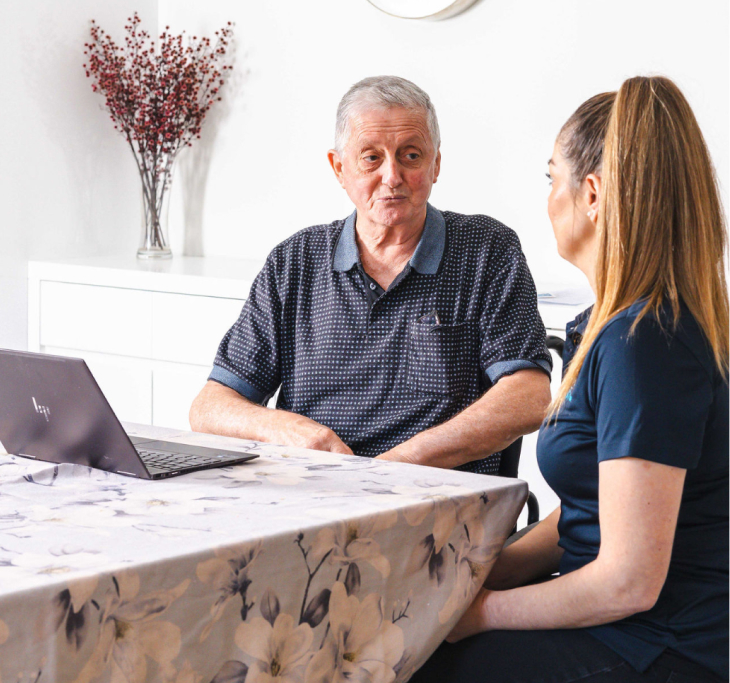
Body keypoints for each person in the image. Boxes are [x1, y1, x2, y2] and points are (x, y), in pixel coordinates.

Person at [411, 77, 729, 683]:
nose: (547, 196)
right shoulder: (612, 329)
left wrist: (482, 615)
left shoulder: (648, 346)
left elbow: (629, 581)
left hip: (662, 645)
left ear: (591, 194)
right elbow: (588, 514)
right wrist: (469, 579)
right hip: (626, 625)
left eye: (550, 176)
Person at [190, 75, 551, 474]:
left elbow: (528, 397)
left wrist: (394, 466)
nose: (392, 176)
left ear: (436, 165)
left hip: (435, 499)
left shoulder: (486, 250)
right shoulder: (294, 262)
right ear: (339, 168)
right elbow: (209, 408)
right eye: (371, 157)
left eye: (411, 156)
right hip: (313, 494)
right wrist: (291, 431)